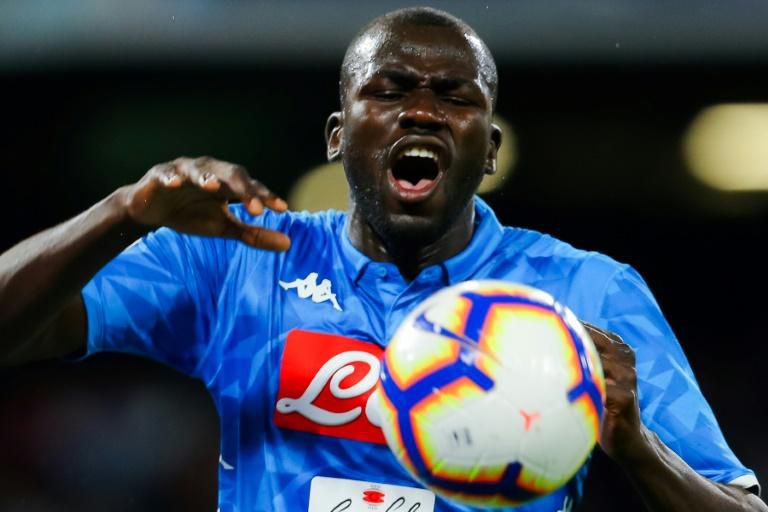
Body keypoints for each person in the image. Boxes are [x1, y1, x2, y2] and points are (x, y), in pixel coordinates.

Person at [0, 6, 764, 512]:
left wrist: (638, 447)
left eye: (456, 97)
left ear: (489, 149)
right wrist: (117, 215)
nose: (423, 110)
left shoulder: (585, 292)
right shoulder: (236, 260)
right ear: (339, 135)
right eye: (391, 89)